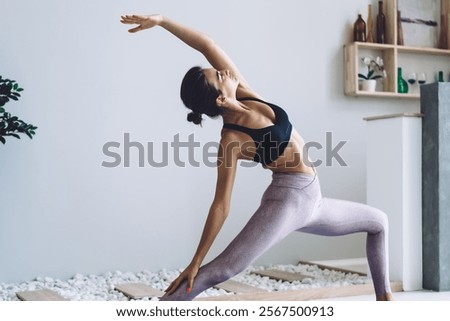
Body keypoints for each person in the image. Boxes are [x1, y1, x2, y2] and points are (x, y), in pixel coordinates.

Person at [120, 14, 393, 301]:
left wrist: (162, 21)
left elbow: (206, 44)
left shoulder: (245, 92)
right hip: (288, 201)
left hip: (315, 199)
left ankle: (385, 304)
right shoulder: (231, 140)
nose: (223, 71)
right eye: (217, 75)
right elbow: (221, 205)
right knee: (221, 270)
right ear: (219, 100)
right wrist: (196, 260)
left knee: (379, 223)